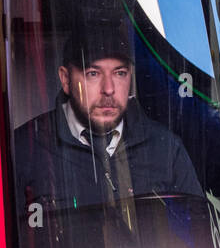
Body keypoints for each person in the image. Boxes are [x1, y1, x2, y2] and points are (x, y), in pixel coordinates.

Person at [14, 23, 202, 213]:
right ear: (65, 79)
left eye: (119, 73)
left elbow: (197, 229)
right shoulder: (24, 148)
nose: (109, 89)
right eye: (93, 74)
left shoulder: (167, 148)